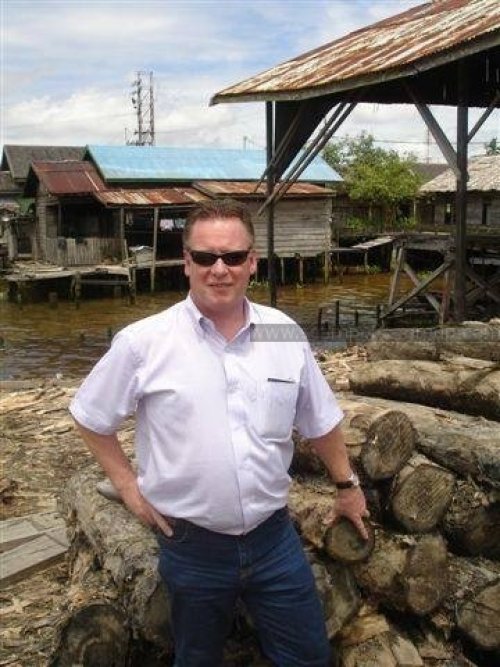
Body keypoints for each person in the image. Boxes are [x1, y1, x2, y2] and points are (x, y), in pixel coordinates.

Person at [69, 199, 369, 667]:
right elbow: (91, 416)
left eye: (233, 256)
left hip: (274, 539)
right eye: (206, 257)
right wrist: (127, 486)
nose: (220, 269)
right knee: (198, 658)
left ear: (253, 262)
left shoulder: (281, 333)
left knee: (309, 656)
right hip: (192, 545)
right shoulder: (146, 341)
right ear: (187, 262)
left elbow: (320, 418)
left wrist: (346, 486)